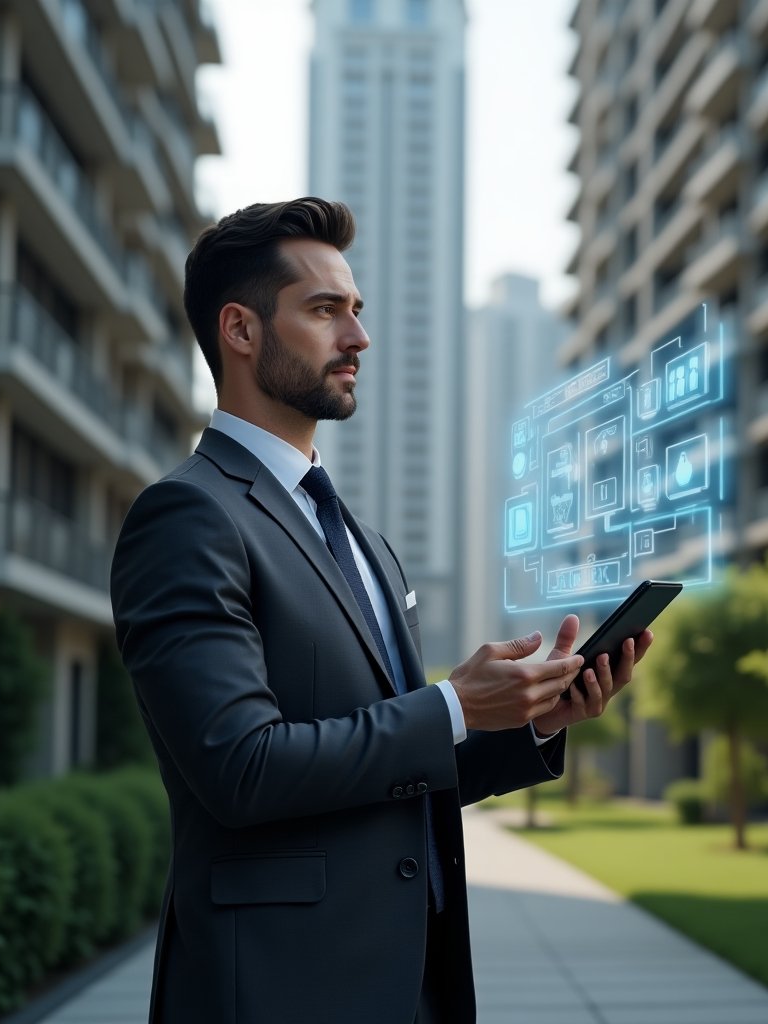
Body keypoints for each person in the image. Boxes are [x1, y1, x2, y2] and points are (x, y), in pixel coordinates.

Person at [110, 197, 652, 1023]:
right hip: (280, 990)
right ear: (241, 331)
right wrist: (449, 706)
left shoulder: (363, 539)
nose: (358, 338)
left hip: (417, 982)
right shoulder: (187, 517)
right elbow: (241, 768)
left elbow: (394, 772)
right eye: (325, 311)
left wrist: (527, 723)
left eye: (356, 311)